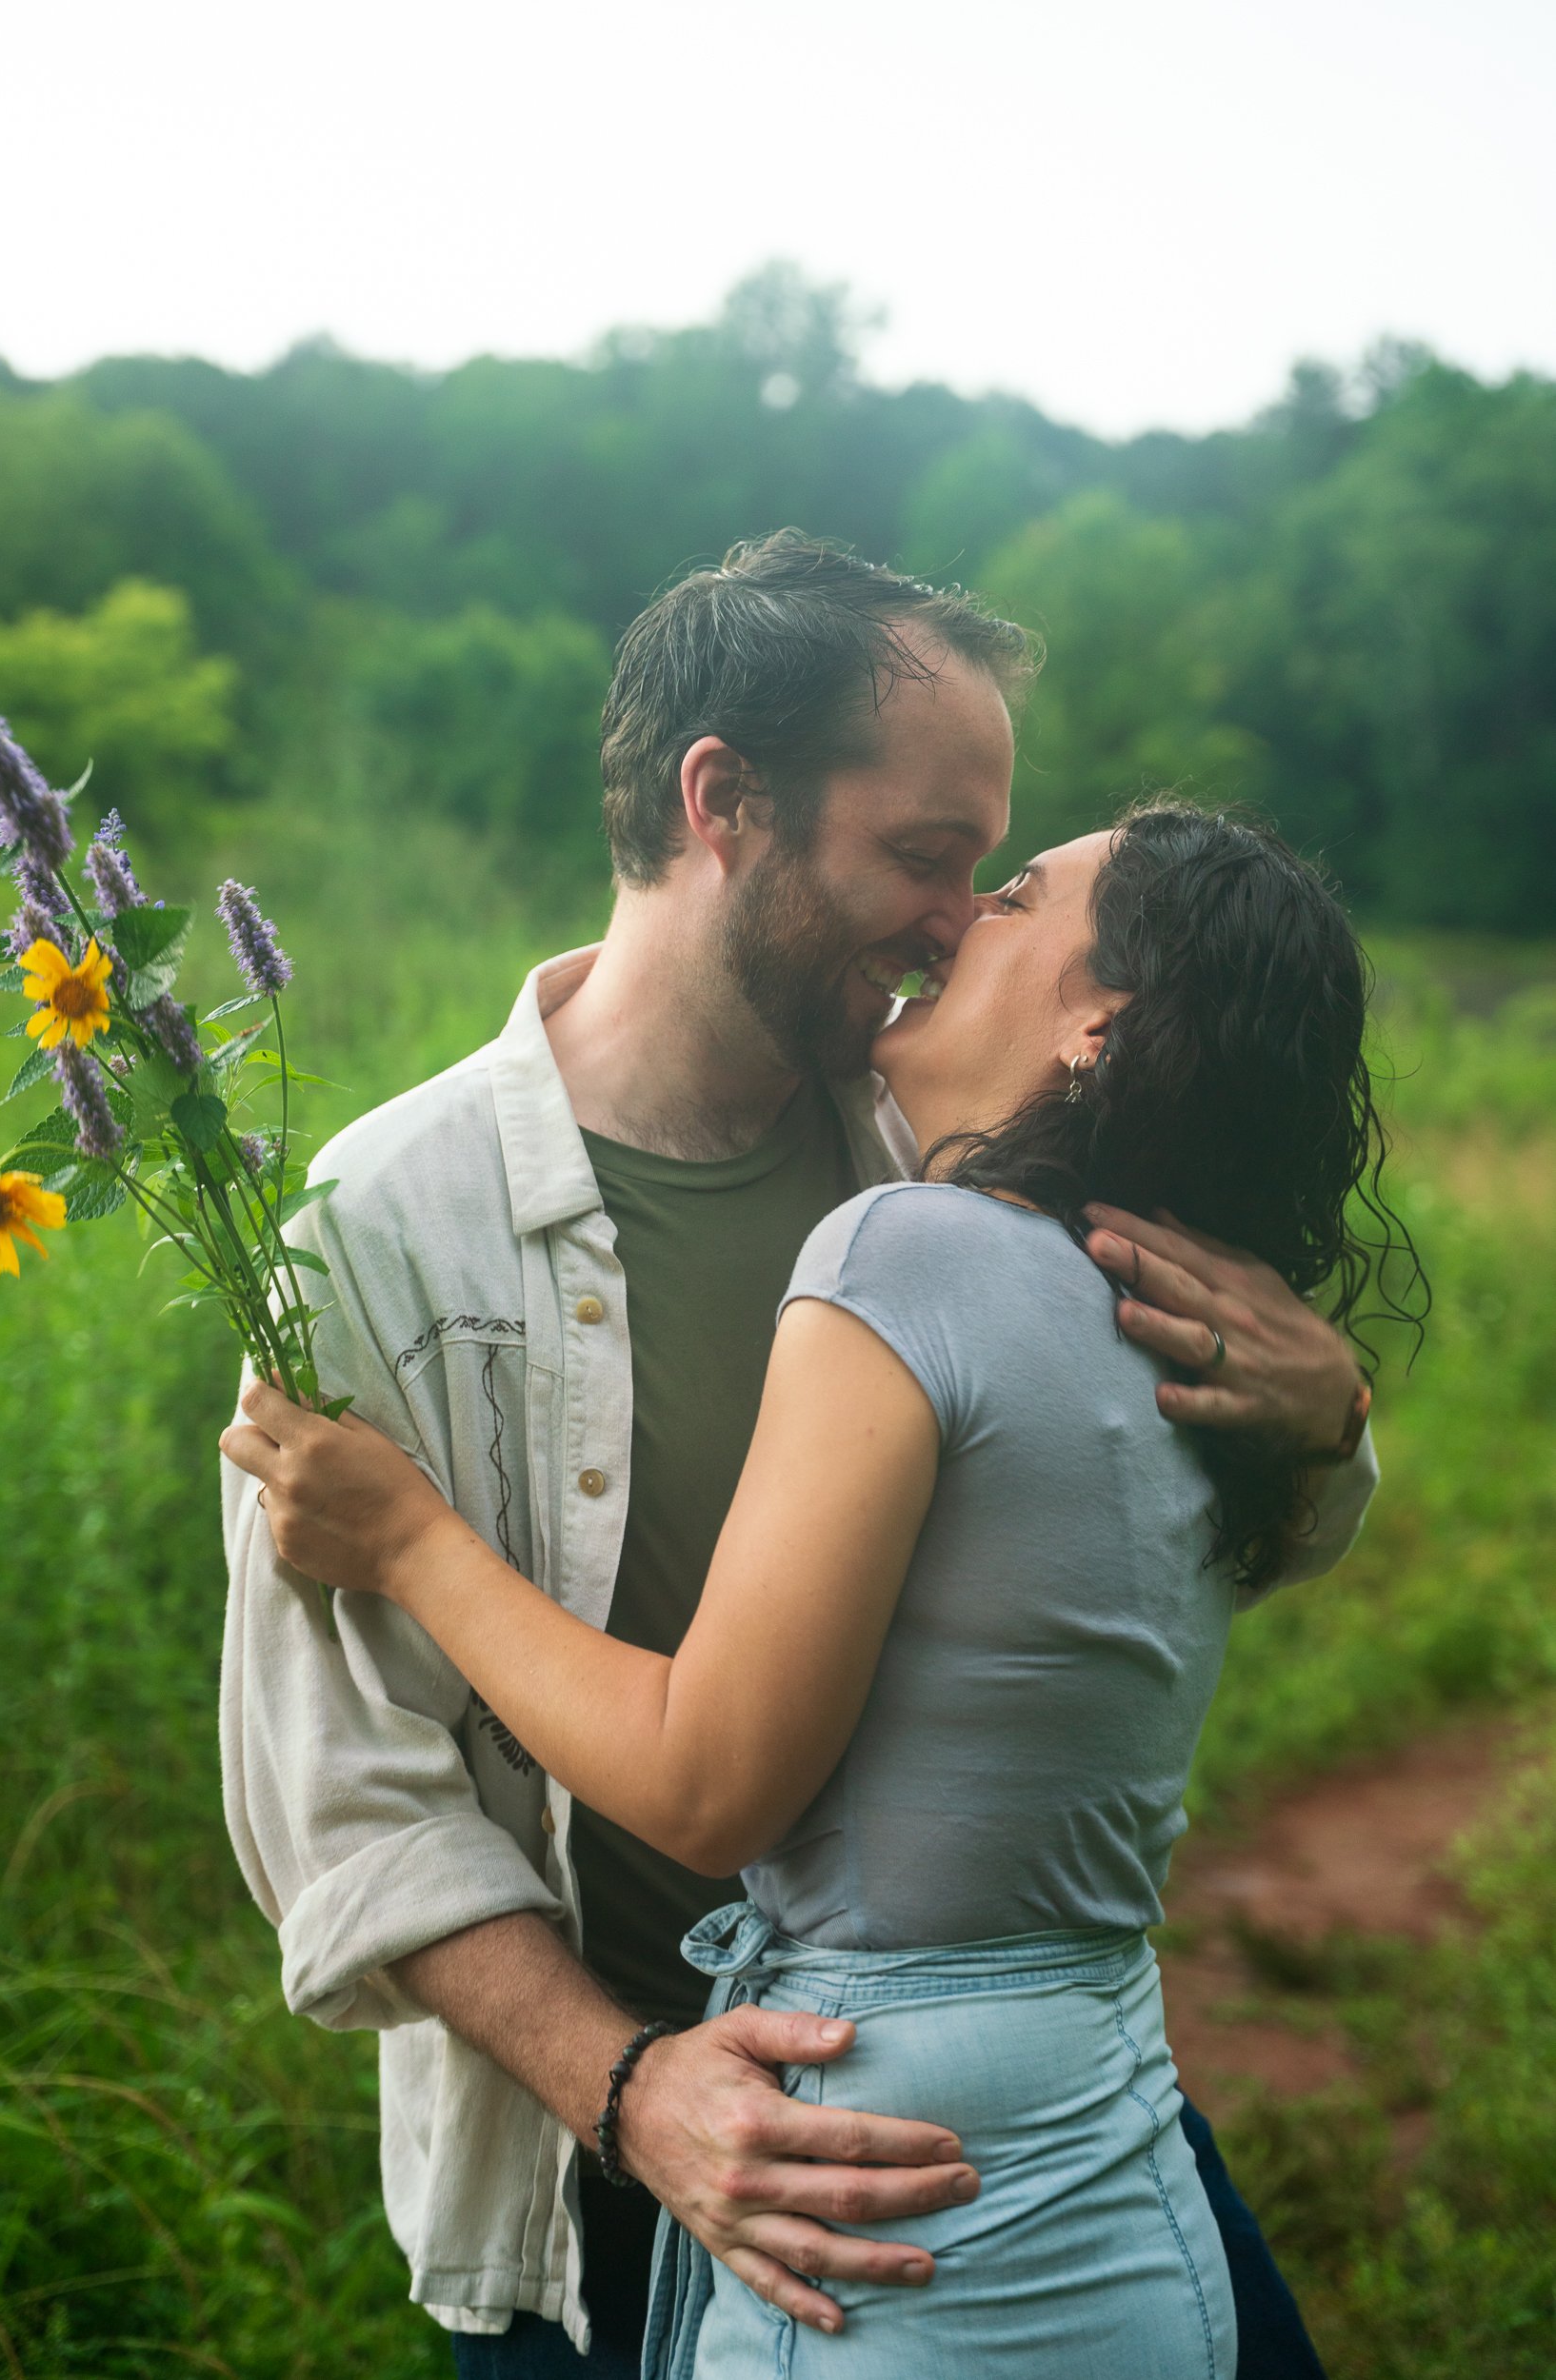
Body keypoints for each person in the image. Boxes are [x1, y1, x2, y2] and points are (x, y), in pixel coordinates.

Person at [219, 535, 1378, 2375]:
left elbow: (1165, 1503)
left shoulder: (956, 1154)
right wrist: (633, 2091)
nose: (954, 915)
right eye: (927, 856)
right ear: (726, 802)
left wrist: (1327, 1427)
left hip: (953, 2098)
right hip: (596, 2161)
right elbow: (344, 1798)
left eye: (993, 876)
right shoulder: (378, 1230)